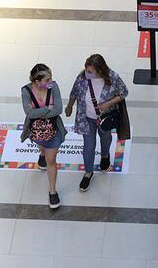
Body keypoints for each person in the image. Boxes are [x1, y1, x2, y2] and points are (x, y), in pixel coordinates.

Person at [65, 54, 129, 192]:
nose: (86, 73)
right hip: (86, 117)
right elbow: (74, 92)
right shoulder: (82, 77)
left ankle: (104, 156)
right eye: (86, 69)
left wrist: (108, 103)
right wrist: (69, 106)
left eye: (90, 71)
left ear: (100, 70)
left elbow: (124, 93)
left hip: (105, 117)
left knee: (105, 138)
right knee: (89, 145)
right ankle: (88, 172)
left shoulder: (113, 78)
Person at [22, 64, 66, 209]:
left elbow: (58, 109)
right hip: (36, 131)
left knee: (51, 160)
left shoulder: (53, 87)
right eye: (47, 79)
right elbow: (29, 114)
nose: (51, 81)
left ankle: (52, 191)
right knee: (41, 147)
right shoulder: (26, 91)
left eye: (51, 78)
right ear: (37, 81)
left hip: (54, 130)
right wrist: (47, 109)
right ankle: (41, 153)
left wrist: (39, 112)